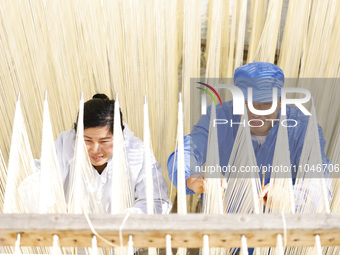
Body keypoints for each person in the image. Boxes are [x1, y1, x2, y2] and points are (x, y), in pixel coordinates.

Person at [167, 62, 331, 205]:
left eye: (266, 104)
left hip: (284, 231)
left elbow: (320, 180)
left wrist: (292, 196)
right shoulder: (217, 119)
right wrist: (193, 178)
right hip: (225, 231)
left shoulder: (303, 128)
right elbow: (185, 153)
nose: (258, 113)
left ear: (281, 102)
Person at [37, 93, 171, 214]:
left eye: (104, 141)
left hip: (122, 236)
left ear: (119, 136)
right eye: (87, 140)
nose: (95, 150)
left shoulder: (137, 153)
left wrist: (121, 220)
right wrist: (53, 204)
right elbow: (38, 179)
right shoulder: (65, 145)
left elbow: (156, 202)